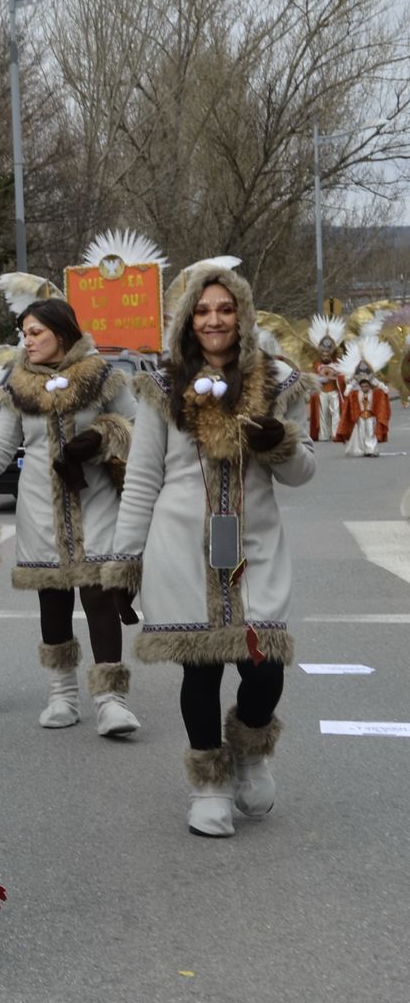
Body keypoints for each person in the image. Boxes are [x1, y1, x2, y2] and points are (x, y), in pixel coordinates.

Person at [108, 259, 314, 838]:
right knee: (199, 672)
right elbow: (143, 479)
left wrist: (280, 443)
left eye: (225, 309)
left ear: (243, 315)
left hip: (256, 546)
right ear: (185, 319)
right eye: (202, 310)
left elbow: (303, 472)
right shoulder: (161, 388)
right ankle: (209, 785)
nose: (214, 320)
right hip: (178, 547)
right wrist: (125, 565)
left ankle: (250, 750)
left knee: (265, 666)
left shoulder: (277, 383)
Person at [0, 295, 142, 736]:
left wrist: (102, 434)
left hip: (96, 504)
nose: (26, 342)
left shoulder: (104, 377)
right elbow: (1, 445)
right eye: (23, 333)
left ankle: (111, 701)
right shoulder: (18, 384)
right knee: (53, 601)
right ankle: (62, 695)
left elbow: (139, 431)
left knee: (98, 596)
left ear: (62, 334)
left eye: (35, 333)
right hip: (40, 509)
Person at [334, 339, 392, 457]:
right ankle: (362, 449)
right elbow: (348, 390)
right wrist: (348, 389)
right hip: (360, 414)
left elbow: (380, 385)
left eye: (366, 385)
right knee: (361, 432)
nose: (364, 387)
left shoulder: (371, 382)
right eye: (363, 385)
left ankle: (371, 450)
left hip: (370, 414)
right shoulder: (356, 384)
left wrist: (383, 388)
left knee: (370, 431)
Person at [306, 315, 345, 442]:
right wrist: (319, 379)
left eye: (328, 354)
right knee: (323, 414)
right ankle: (323, 434)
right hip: (322, 393)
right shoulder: (317, 365)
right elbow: (313, 377)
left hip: (334, 392)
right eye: (323, 354)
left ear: (331, 353)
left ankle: (336, 433)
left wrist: (335, 377)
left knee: (335, 413)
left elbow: (341, 377)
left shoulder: (337, 364)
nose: (326, 356)